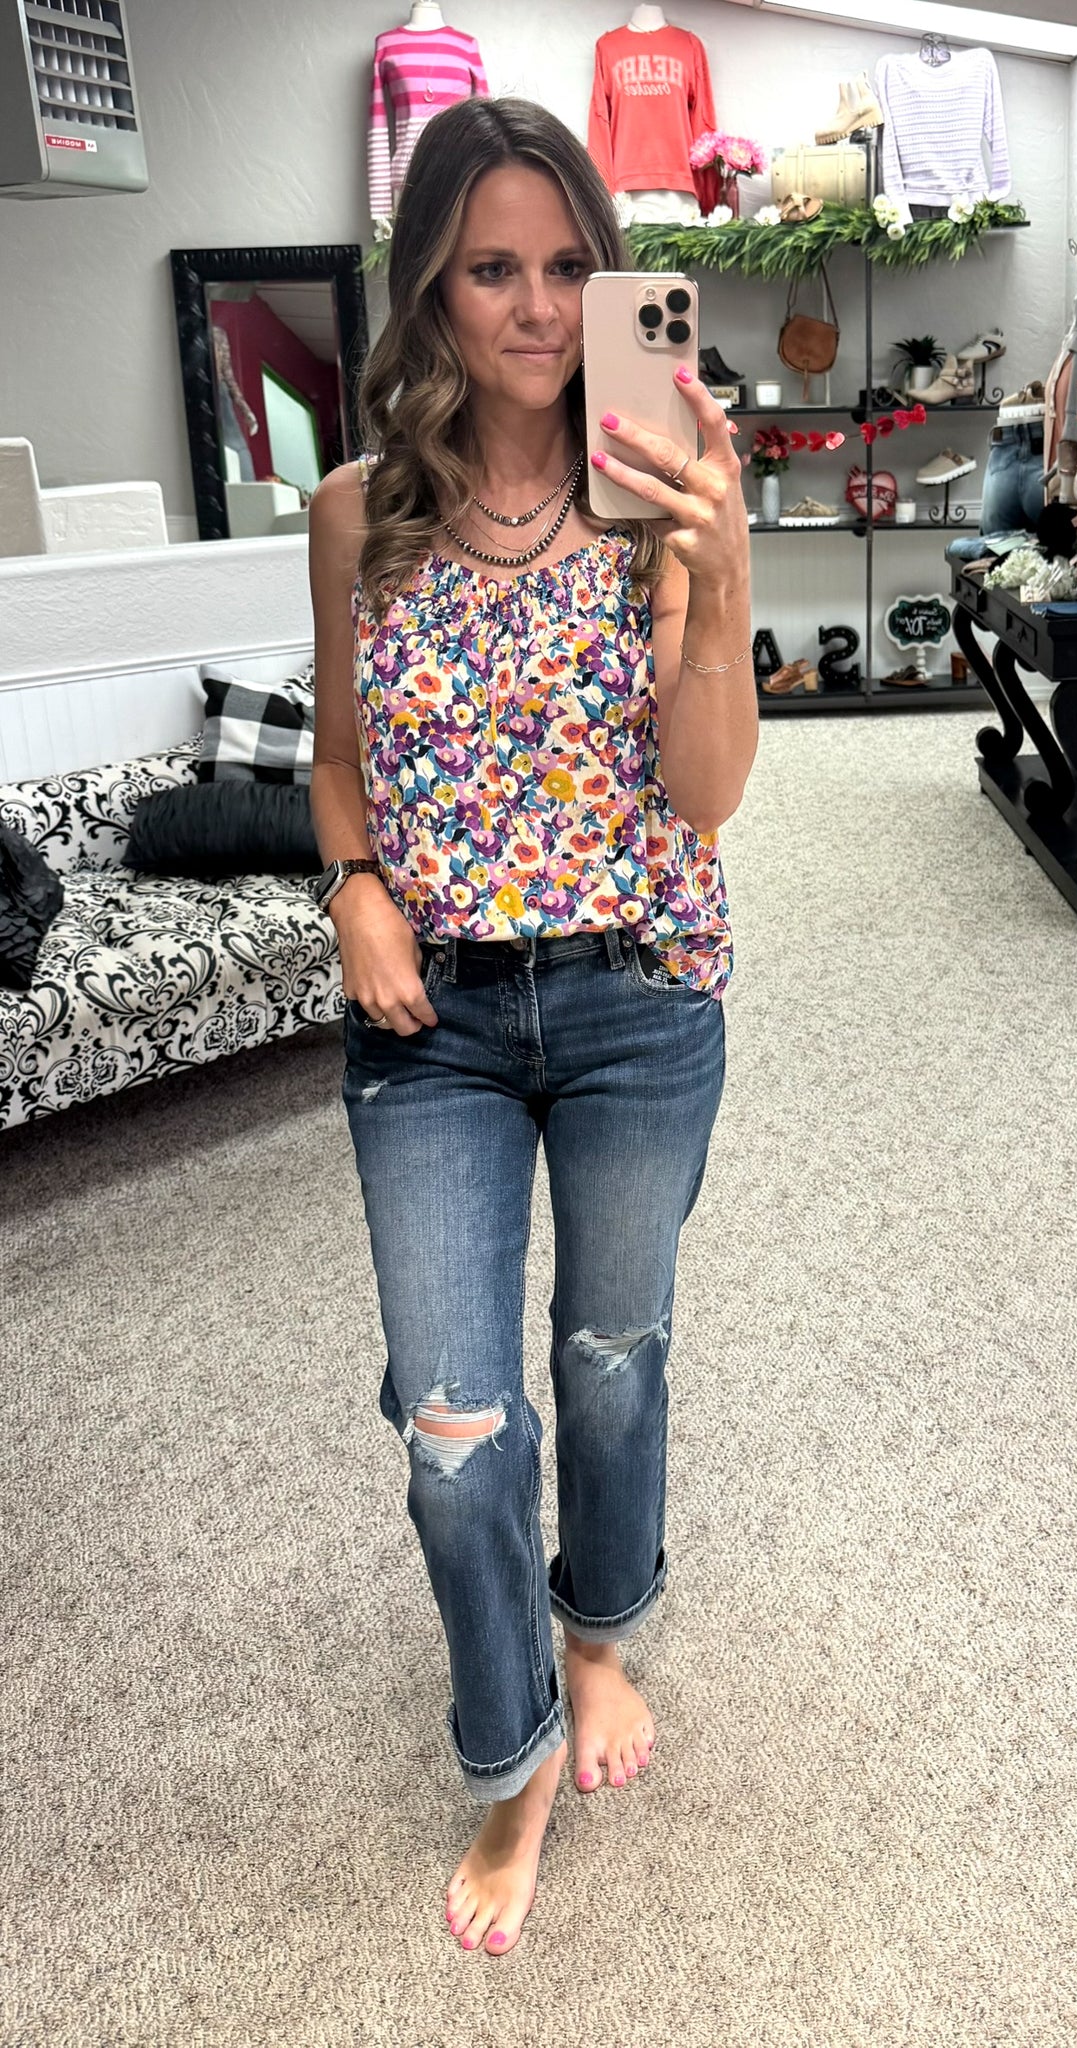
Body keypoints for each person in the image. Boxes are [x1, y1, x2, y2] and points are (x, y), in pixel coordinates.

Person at [307, 94, 755, 1960]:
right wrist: (354, 885)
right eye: (494, 267)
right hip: (438, 1026)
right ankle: (510, 1763)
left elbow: (705, 792)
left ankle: (598, 1637)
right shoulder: (356, 515)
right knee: (453, 1417)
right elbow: (340, 763)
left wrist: (723, 572)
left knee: (613, 1355)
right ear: (430, 282)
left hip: (640, 993)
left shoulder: (662, 488)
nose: (544, 307)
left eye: (573, 265)